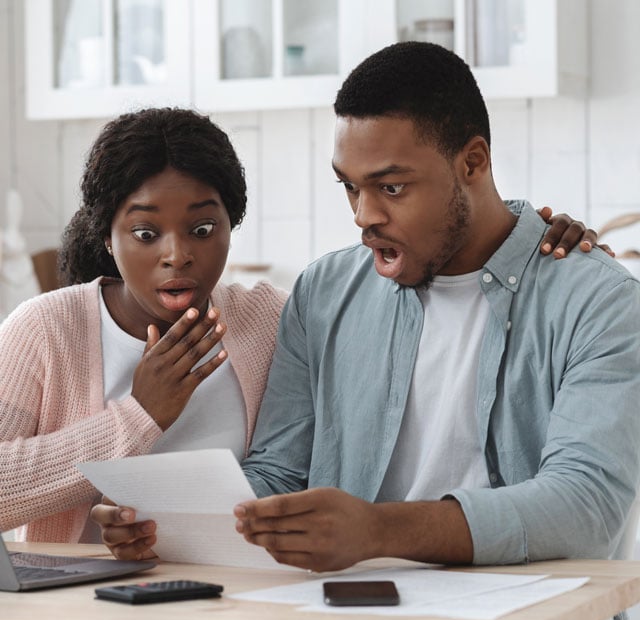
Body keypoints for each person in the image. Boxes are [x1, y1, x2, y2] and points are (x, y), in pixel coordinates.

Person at [92, 43, 634, 573]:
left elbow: (586, 504)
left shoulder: (599, 301)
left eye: (391, 187)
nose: (363, 215)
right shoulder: (324, 293)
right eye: (350, 187)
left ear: (473, 162)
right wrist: (158, 523)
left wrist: (377, 531)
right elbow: (279, 475)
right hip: (353, 615)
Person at [0, 107, 287, 543]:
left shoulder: (268, 319)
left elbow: (294, 474)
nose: (177, 255)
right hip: (76, 606)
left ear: (232, 225)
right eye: (146, 233)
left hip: (240, 598)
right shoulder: (45, 330)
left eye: (203, 228)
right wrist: (140, 416)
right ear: (107, 237)